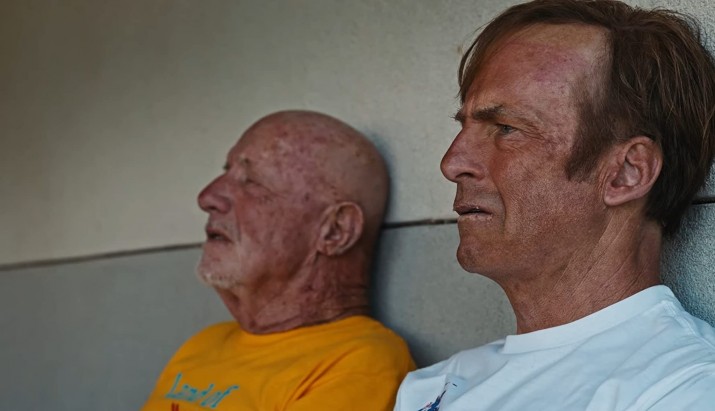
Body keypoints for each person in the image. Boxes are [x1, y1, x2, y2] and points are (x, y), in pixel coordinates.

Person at [395, 1, 715, 410]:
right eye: (466, 127)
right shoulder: (431, 387)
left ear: (626, 173)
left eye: (507, 129)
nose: (452, 163)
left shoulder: (683, 387)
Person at [142, 110, 414, 410]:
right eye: (226, 171)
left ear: (336, 230)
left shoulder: (360, 365)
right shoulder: (203, 344)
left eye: (252, 181)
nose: (207, 197)